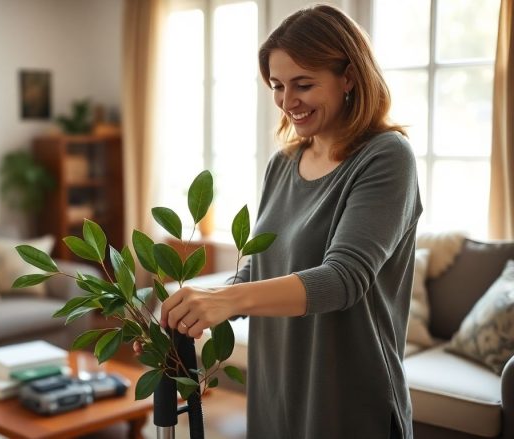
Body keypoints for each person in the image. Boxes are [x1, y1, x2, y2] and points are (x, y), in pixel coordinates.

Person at [159, 4, 422, 439]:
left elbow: (342, 279)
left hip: (348, 398)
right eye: (278, 86)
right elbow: (260, 267)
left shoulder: (387, 156)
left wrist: (229, 301)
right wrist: (198, 308)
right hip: (275, 389)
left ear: (350, 77)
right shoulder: (283, 163)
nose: (286, 101)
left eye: (303, 84)